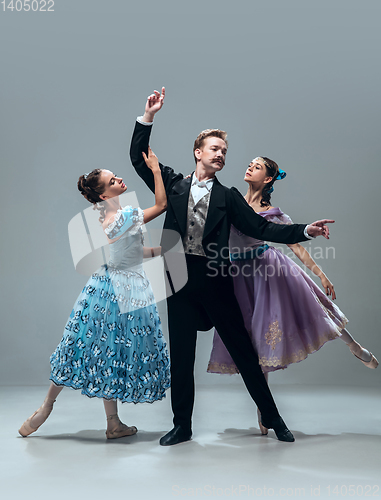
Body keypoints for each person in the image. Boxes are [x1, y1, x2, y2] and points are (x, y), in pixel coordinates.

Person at [129, 87, 335, 445]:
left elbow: (261, 228)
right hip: (177, 280)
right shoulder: (173, 184)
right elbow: (138, 156)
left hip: (215, 281)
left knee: (244, 352)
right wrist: (148, 117)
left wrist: (304, 230)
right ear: (198, 153)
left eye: (225, 151)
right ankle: (182, 426)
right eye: (215, 149)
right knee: (181, 355)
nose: (221, 155)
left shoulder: (229, 196)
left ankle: (273, 418)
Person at [207, 156, 378, 434]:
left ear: (268, 179)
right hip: (238, 277)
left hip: (267, 272)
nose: (249, 167)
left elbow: (294, 244)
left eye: (258, 166)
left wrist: (321, 274)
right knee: (253, 338)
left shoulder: (271, 211)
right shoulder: (231, 202)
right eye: (250, 163)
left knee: (315, 308)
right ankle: (264, 408)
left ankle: (354, 346)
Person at [18, 147, 171, 439]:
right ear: (104, 195)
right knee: (94, 348)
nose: (119, 180)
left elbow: (133, 252)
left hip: (114, 284)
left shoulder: (115, 218)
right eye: (113, 181)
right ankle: (47, 408)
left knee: (101, 349)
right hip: (119, 289)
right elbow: (162, 205)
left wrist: (163, 251)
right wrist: (155, 171)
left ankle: (109, 422)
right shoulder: (122, 216)